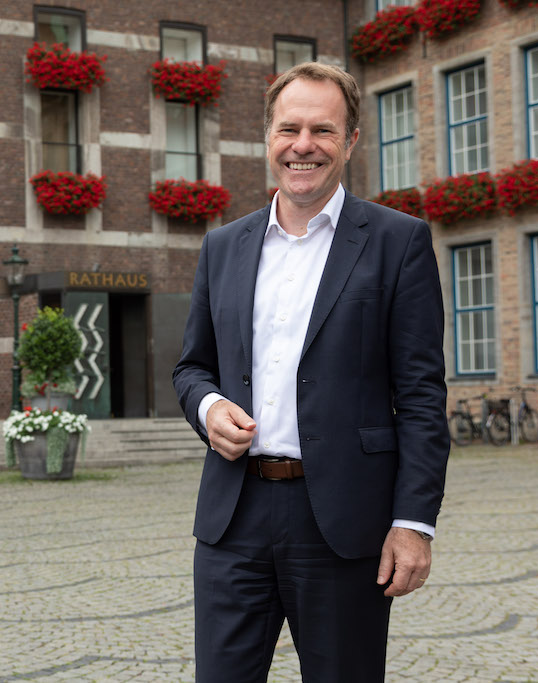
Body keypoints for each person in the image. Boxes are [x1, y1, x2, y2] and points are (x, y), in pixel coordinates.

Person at [173, 63, 449, 682]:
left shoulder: (397, 242)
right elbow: (193, 367)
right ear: (268, 137)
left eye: (322, 130)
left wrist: (412, 524)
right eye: (289, 128)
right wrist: (209, 408)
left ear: (350, 141)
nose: (303, 145)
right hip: (232, 519)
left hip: (345, 523)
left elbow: (423, 395)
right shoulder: (223, 246)